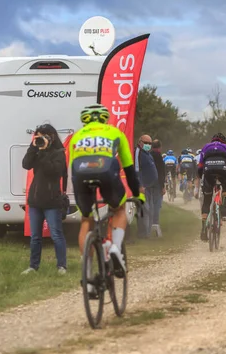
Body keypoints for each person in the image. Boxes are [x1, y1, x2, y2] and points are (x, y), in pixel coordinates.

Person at [69, 104, 144, 297]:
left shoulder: (76, 137)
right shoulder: (115, 133)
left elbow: (71, 168)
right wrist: (138, 194)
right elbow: (128, 168)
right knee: (119, 208)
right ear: (105, 119)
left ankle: (86, 276)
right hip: (106, 174)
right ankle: (115, 249)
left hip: (80, 176)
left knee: (86, 220)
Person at [21, 124, 68, 275]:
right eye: (38, 136)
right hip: (35, 201)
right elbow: (26, 164)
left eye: (43, 136)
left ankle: (61, 266)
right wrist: (33, 148)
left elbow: (54, 171)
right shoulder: (36, 150)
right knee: (35, 237)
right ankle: (33, 266)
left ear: (51, 137)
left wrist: (43, 153)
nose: (41, 139)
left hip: (52, 201)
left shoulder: (59, 153)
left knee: (56, 235)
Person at [196, 133, 226, 241]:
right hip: (223, 169)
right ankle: (223, 207)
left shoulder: (205, 147)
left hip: (208, 170)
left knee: (207, 200)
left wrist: (202, 179)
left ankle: (204, 229)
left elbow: (200, 167)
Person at [135, 134, 158, 238]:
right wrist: (140, 185)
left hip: (149, 187)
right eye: (146, 143)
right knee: (145, 210)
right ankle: (143, 234)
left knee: (150, 210)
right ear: (140, 142)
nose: (148, 145)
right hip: (142, 187)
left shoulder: (147, 153)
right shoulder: (138, 153)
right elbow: (137, 170)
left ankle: (147, 233)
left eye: (150, 143)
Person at [150, 139, 166, 237]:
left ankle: (148, 224)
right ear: (160, 147)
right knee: (157, 204)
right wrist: (163, 187)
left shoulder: (148, 155)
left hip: (148, 183)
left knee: (149, 203)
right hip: (157, 184)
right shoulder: (159, 156)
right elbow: (161, 173)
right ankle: (155, 223)